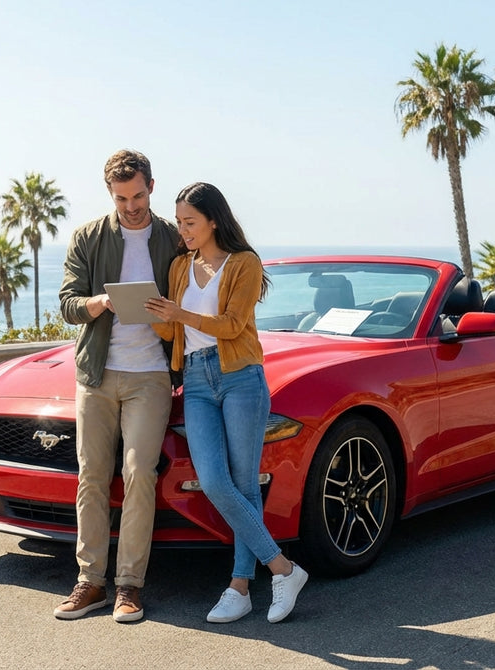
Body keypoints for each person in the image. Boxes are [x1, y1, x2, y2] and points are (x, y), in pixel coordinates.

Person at [145, 182, 309, 624]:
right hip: (196, 379)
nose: (183, 230)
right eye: (179, 222)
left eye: (191, 222)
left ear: (213, 219)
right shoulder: (180, 266)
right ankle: (283, 569)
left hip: (240, 377)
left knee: (243, 483)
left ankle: (239, 587)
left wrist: (180, 315)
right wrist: (151, 315)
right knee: (216, 481)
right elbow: (175, 334)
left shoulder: (245, 263)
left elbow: (234, 325)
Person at [55, 149, 182, 623]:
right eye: (123, 197)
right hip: (97, 374)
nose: (132, 206)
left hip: (151, 374)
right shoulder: (88, 237)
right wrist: (99, 303)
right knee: (91, 475)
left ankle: (129, 585)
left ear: (152, 186)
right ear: (110, 194)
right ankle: (90, 582)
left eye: (140, 195)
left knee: (138, 474)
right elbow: (67, 303)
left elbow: (193, 296)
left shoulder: (173, 237)